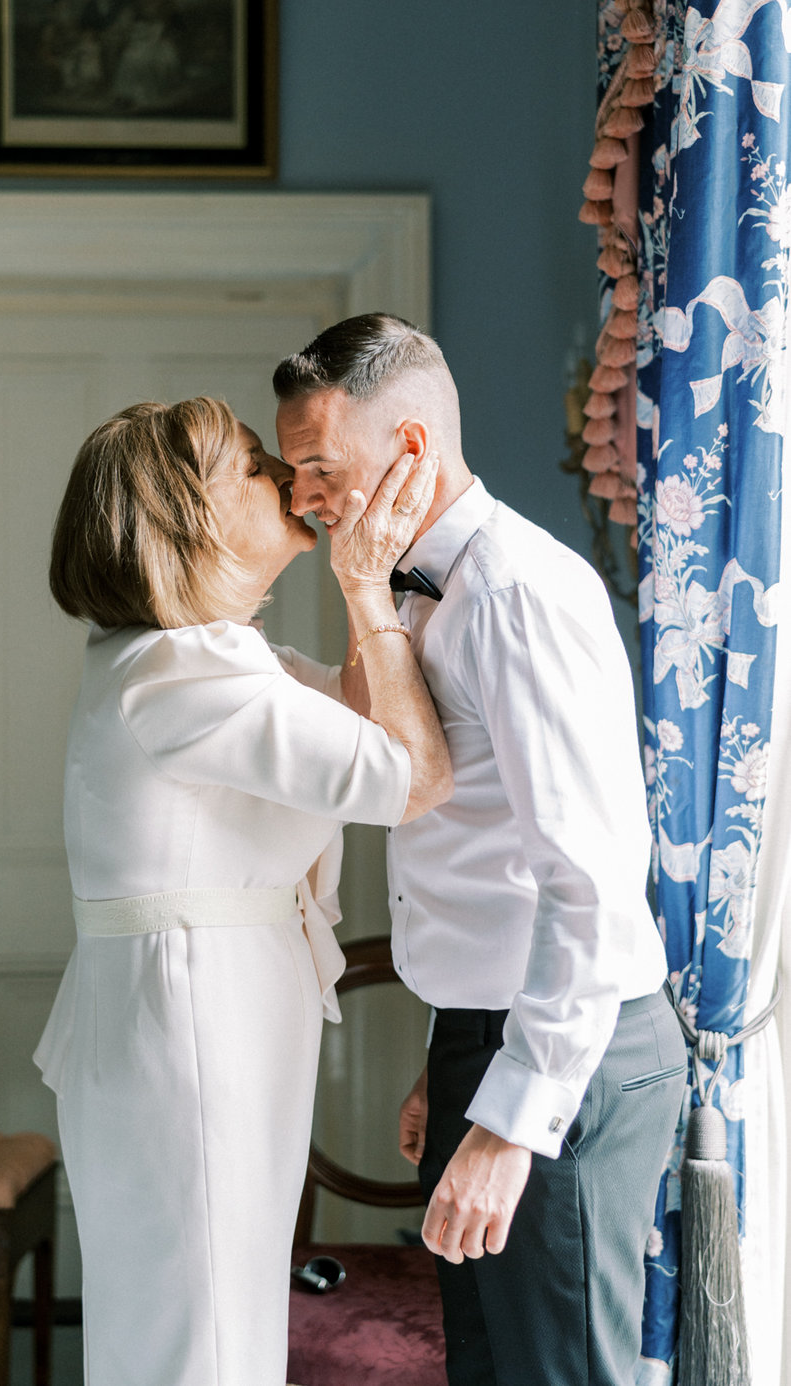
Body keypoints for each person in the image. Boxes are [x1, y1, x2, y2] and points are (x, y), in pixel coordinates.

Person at [273, 315, 686, 1386]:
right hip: (495, 1032)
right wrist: (453, 1052)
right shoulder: (418, 594)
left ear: (409, 449)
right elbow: (484, 855)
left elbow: (588, 878)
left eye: (321, 466)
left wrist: (510, 1123)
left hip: (568, 1061)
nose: (303, 497)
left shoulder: (514, 596)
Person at [33, 396, 452, 1386]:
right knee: (206, 1336)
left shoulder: (188, 661)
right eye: (255, 466)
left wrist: (367, 569)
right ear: (191, 517)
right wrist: (363, 584)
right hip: (194, 1025)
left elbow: (361, 712)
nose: (283, 479)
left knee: (197, 1324)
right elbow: (413, 777)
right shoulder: (187, 672)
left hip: (190, 1015)